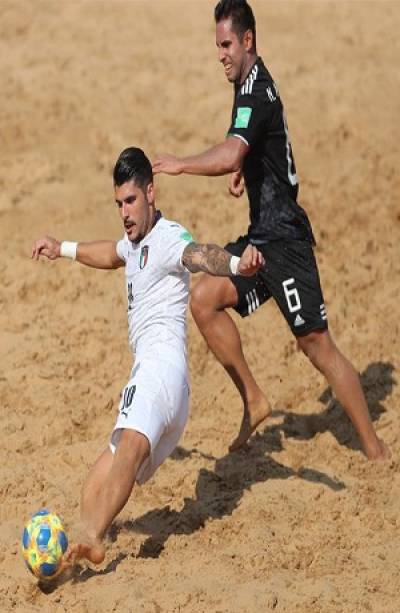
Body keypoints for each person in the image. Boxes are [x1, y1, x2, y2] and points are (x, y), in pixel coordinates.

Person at [152, 0, 389, 461]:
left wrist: (182, 164)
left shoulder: (256, 90)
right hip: (261, 237)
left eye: (226, 45)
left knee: (316, 346)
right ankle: (255, 399)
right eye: (216, 45)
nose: (219, 53)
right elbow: (260, 142)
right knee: (203, 299)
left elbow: (228, 154)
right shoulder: (246, 84)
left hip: (285, 241)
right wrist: (253, 169)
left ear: (248, 40)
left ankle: (376, 450)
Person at [31, 146, 264, 566]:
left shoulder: (169, 237)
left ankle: (93, 537)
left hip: (161, 371)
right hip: (159, 381)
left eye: (131, 200)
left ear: (151, 192)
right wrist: (61, 247)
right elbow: (109, 254)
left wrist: (234, 263)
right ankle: (76, 550)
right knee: (98, 479)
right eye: (119, 203)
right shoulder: (132, 244)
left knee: (131, 451)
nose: (124, 211)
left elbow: (200, 255)